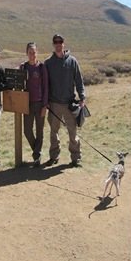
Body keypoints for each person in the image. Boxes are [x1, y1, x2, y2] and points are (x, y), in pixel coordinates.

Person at [44, 34, 86, 167]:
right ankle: (54, 156)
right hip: (54, 103)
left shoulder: (72, 61)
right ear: (53, 45)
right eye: (55, 42)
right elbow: (45, 84)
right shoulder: (48, 63)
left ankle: (76, 158)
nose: (58, 44)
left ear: (63, 44)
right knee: (53, 132)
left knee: (72, 132)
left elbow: (79, 80)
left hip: (69, 103)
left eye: (60, 42)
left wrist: (82, 97)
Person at [19, 42, 49, 167]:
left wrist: (45, 106)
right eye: (30, 52)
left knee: (40, 132)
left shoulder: (41, 68)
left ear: (37, 53)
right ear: (27, 53)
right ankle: (37, 153)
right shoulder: (23, 67)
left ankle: (36, 157)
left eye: (34, 52)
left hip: (40, 103)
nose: (32, 55)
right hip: (27, 104)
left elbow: (46, 87)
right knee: (27, 131)